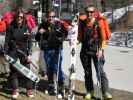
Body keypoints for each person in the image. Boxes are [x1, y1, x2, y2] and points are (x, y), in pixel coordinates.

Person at [78, 5, 112, 100]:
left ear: (94, 12)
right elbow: (80, 37)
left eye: (92, 12)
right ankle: (90, 91)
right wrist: (74, 42)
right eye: (88, 12)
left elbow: (103, 39)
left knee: (100, 72)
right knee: (87, 72)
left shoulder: (99, 22)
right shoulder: (83, 22)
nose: (90, 13)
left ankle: (105, 92)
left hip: (97, 50)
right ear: (85, 12)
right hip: (85, 50)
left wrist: (101, 50)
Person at [35, 11, 69, 98]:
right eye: (49, 17)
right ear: (47, 17)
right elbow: (37, 37)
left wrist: (61, 38)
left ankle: (61, 87)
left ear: (55, 17)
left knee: (57, 68)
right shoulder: (43, 25)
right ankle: (51, 85)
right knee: (49, 68)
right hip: (47, 49)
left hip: (57, 49)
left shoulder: (59, 24)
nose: (51, 18)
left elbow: (65, 33)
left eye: (53, 17)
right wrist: (39, 32)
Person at [4, 8, 34, 99]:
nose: (19, 19)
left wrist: (29, 54)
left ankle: (29, 90)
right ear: (15, 17)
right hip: (13, 50)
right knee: (14, 70)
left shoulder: (27, 27)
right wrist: (6, 52)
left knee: (27, 70)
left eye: (21, 17)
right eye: (18, 17)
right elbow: (7, 41)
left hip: (24, 51)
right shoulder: (10, 26)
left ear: (23, 18)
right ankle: (15, 89)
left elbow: (30, 42)